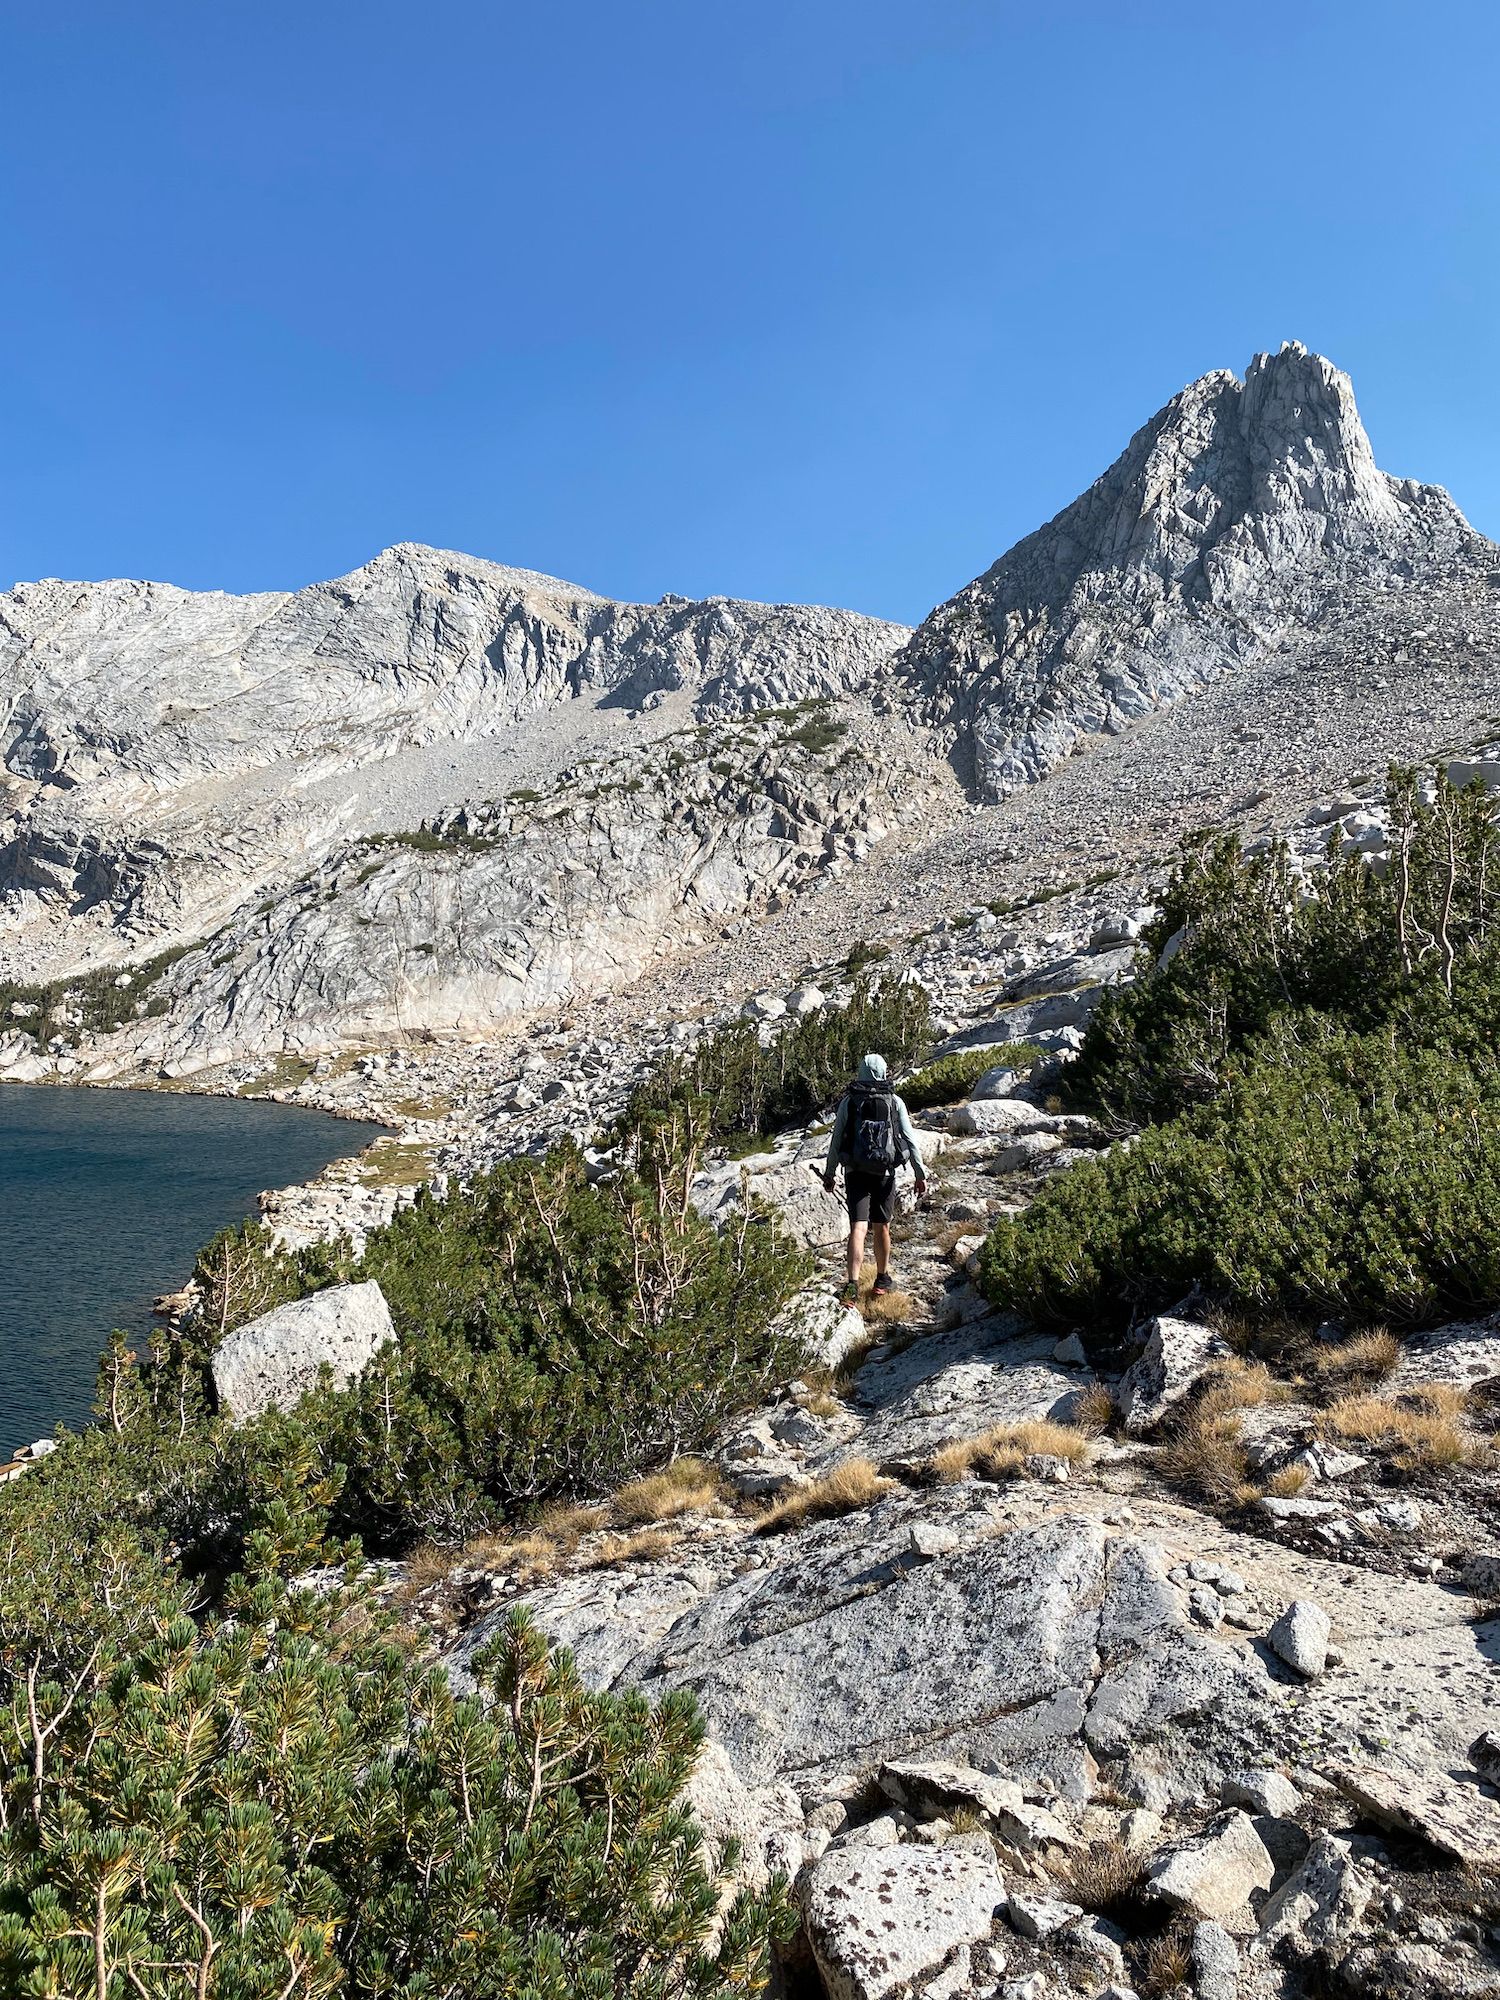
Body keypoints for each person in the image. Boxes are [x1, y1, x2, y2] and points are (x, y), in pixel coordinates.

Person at [823, 1053, 927, 1308]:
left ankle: (851, 1285)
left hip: (855, 1172)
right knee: (882, 1226)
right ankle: (882, 1279)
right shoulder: (894, 1101)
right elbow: (909, 1138)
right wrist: (919, 1172)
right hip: (885, 1173)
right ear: (883, 1072)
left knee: (858, 1227)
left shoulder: (849, 1102)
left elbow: (837, 1141)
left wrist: (829, 1173)